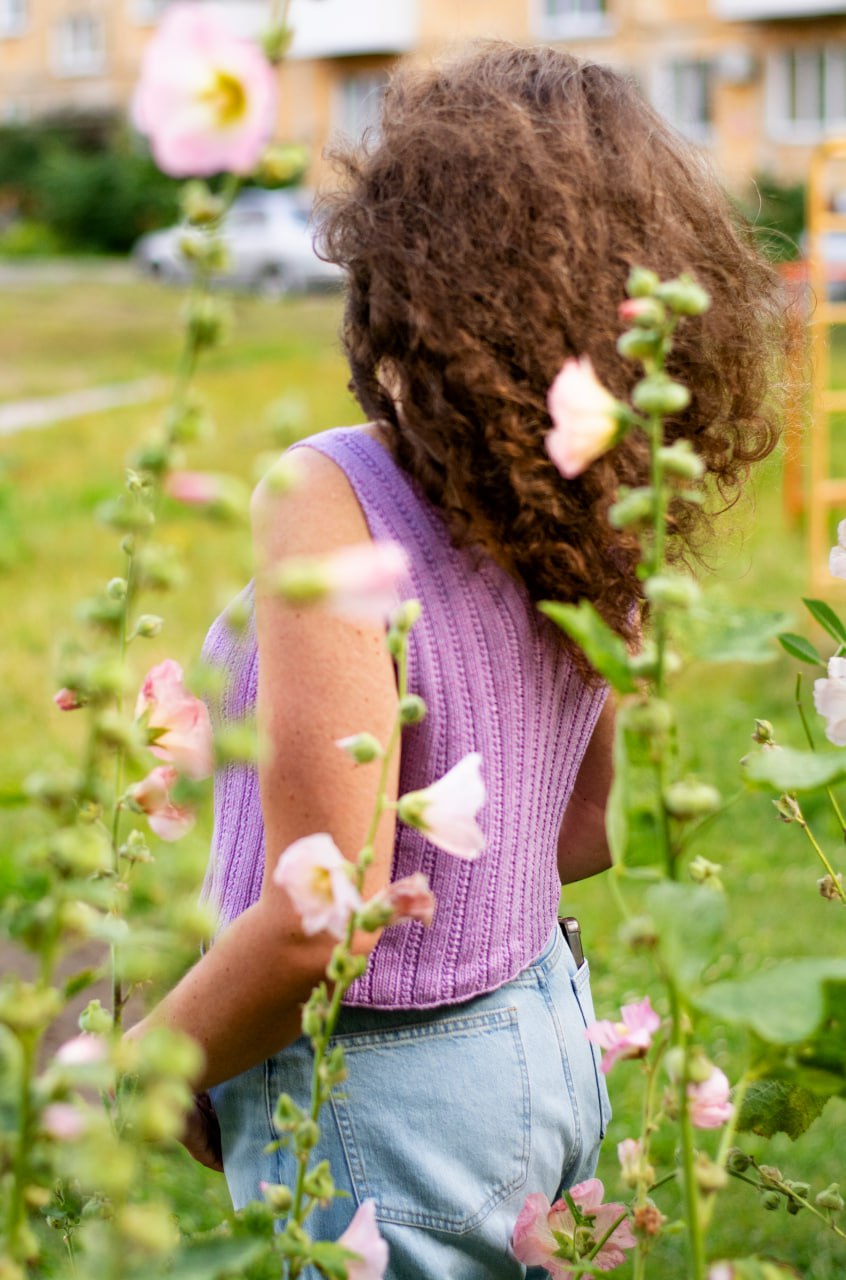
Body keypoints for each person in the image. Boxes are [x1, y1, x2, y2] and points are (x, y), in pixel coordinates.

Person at [127, 41, 783, 1279]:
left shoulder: (331, 492)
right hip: (543, 1042)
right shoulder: (598, 503)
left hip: (385, 1102)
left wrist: (145, 1064)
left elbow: (327, 920)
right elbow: (591, 825)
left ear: (407, 271)